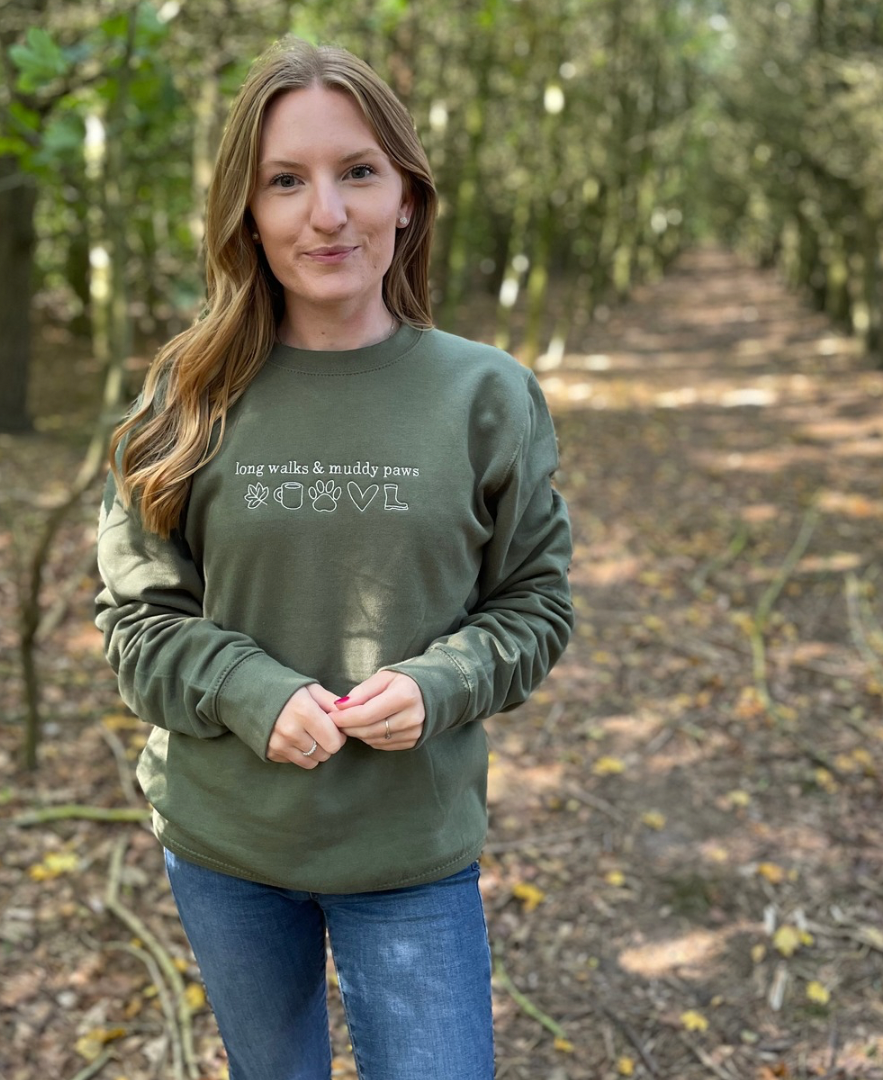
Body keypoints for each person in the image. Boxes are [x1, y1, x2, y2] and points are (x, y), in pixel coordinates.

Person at [95, 36, 574, 1080]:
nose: (327, 212)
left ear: (405, 194)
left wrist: (442, 681)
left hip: (409, 850)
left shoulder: (487, 395)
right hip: (227, 847)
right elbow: (135, 626)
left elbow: (536, 605)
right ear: (248, 214)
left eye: (357, 170)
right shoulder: (182, 399)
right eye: (286, 181)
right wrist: (252, 692)